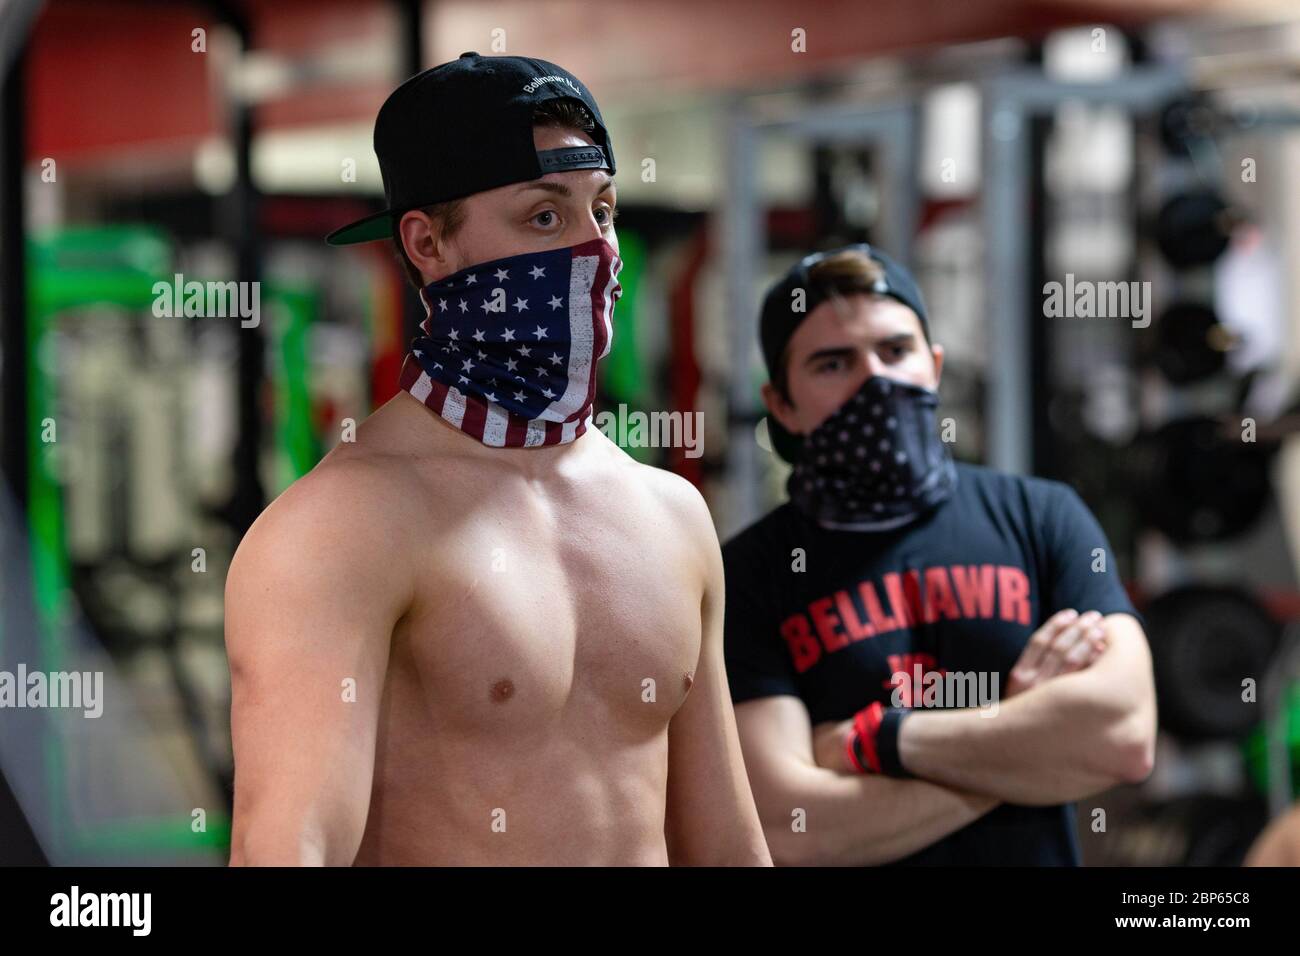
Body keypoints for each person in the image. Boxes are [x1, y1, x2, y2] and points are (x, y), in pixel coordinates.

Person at [225, 53, 769, 866]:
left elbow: (725, 846)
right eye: (544, 218)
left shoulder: (671, 514)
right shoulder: (338, 528)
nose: (597, 252)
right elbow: (287, 852)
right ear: (427, 242)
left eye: (604, 211)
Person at [722, 244, 1156, 865]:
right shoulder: (748, 575)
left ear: (936, 365)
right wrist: (1026, 737)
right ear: (782, 405)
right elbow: (794, 828)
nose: (875, 379)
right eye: (833, 363)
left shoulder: (1043, 516)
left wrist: (883, 740)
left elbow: (1125, 735)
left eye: (896, 351)